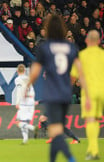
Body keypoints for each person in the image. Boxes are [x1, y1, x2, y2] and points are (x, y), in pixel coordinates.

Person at [26, 15, 90, 162]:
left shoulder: (45, 47)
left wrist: (27, 86)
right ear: (63, 29)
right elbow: (79, 71)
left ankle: (71, 159)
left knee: (56, 131)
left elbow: (35, 72)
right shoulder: (71, 47)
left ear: (48, 29)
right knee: (56, 129)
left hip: (53, 94)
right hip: (65, 94)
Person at [71, 30, 104, 160]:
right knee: (96, 119)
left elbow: (73, 77)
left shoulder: (82, 56)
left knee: (90, 120)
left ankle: (93, 150)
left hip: (89, 92)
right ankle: (92, 148)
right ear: (99, 41)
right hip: (102, 91)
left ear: (86, 41)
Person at [14, 64, 38, 144]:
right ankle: (25, 140)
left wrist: (17, 102)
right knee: (25, 121)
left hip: (24, 101)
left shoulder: (18, 79)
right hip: (31, 101)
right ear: (25, 70)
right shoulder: (29, 78)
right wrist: (33, 100)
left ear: (17, 71)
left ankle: (32, 128)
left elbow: (19, 91)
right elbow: (32, 90)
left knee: (18, 121)